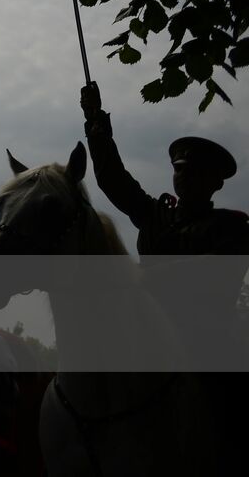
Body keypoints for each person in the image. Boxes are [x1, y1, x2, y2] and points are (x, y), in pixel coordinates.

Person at [80, 82, 249, 467]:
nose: (184, 179)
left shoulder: (232, 227)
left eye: (195, 174)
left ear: (216, 183)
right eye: (180, 172)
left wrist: (149, 277)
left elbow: (213, 272)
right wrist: (95, 120)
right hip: (145, 333)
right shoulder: (157, 215)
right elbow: (112, 179)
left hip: (206, 346)